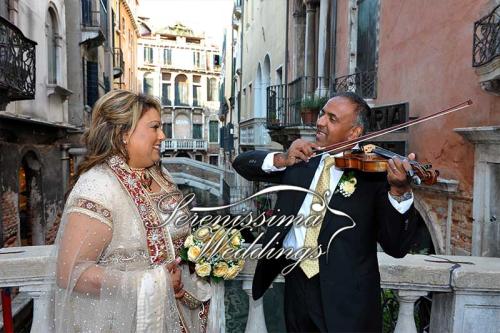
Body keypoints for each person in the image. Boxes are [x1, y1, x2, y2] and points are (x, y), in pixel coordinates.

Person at [233, 92, 417, 332]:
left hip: (348, 302)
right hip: (296, 286)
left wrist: (400, 191)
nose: (320, 122)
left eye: (332, 118)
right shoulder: (303, 159)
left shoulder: (376, 175)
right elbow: (242, 163)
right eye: (321, 114)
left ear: (354, 133)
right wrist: (281, 158)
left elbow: (397, 246)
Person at [47, 90, 214, 333]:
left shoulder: (160, 174)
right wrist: (156, 283)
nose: (163, 135)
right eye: (155, 127)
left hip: (175, 314)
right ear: (124, 134)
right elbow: (70, 273)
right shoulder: (98, 186)